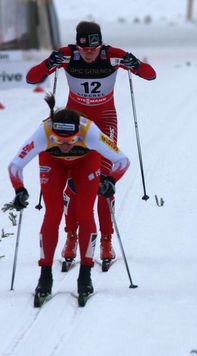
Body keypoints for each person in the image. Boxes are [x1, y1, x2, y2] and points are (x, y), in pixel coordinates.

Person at [26, 21, 156, 266]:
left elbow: (151, 75)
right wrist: (47, 64)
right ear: (78, 44)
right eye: (84, 48)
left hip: (105, 119)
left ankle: (106, 240)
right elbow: (32, 78)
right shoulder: (66, 55)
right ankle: (72, 236)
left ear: (100, 43)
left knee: (104, 181)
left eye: (93, 47)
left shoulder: (113, 55)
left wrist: (135, 64)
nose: (88, 53)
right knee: (74, 185)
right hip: (74, 123)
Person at [8, 94, 130, 302]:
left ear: (78, 134)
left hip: (86, 162)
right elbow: (15, 165)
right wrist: (19, 189)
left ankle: (85, 275)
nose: (65, 146)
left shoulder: (89, 131)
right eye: (58, 141)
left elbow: (122, 160)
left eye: (71, 141)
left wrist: (111, 180)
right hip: (52, 163)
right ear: (51, 134)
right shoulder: (44, 132)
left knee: (85, 213)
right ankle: (45, 275)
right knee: (53, 213)